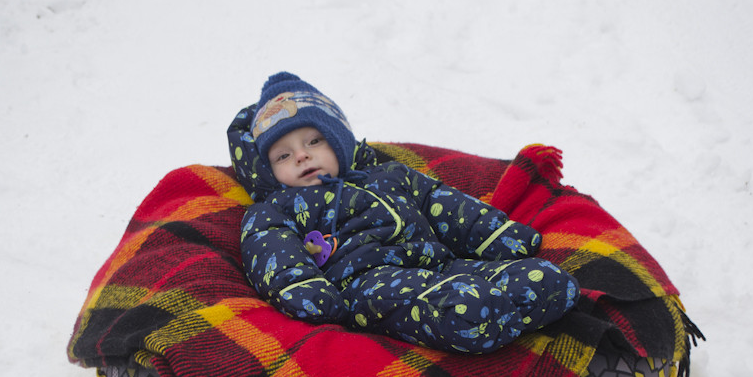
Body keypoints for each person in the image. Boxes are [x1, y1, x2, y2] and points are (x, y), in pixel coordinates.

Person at [228, 72, 578, 354]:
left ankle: (508, 309)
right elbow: (274, 253)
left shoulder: (388, 174)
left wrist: (496, 235)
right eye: (282, 156)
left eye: (313, 141)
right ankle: (472, 318)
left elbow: (443, 204)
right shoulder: (275, 209)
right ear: (268, 170)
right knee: (461, 302)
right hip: (366, 283)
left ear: (339, 141)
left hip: (440, 263)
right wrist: (308, 290)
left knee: (548, 279)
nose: (301, 156)